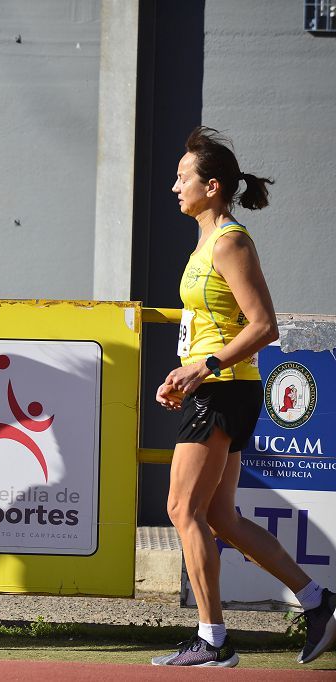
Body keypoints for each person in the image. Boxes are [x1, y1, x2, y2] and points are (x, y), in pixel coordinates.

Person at [152, 127, 335, 667]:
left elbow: (264, 326)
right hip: (216, 386)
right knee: (219, 518)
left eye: (182, 177)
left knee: (181, 509)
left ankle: (213, 641)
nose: (173, 186)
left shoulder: (231, 241)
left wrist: (202, 370)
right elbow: (209, 325)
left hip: (224, 390)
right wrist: (183, 373)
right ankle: (318, 602)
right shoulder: (206, 242)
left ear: (212, 187)